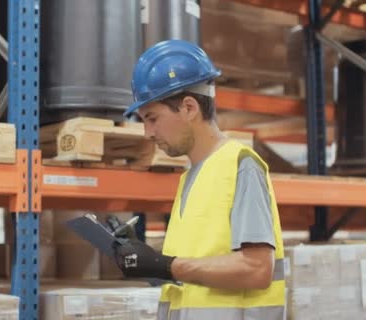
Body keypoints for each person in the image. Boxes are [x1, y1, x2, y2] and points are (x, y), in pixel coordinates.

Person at [112, 40, 286, 320]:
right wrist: (147, 260)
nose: (147, 133)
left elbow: (257, 269)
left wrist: (165, 266)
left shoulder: (241, 165)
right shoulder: (190, 178)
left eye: (152, 118)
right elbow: (192, 271)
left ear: (189, 108)